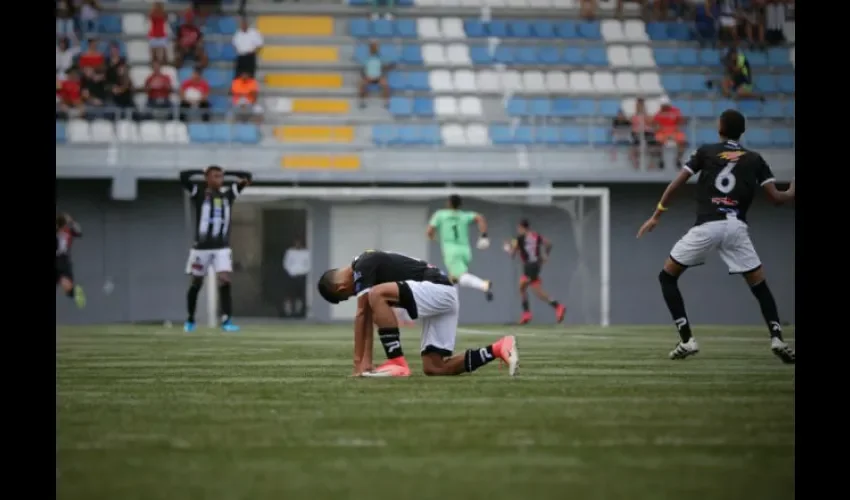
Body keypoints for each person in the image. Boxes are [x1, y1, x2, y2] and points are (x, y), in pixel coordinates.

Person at [636, 109, 795, 364]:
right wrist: (792, 190)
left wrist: (657, 214)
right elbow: (777, 199)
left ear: (720, 128)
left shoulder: (706, 151)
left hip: (708, 225)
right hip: (736, 228)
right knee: (759, 285)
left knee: (667, 277)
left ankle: (687, 339)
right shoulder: (755, 159)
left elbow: (676, 183)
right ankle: (777, 337)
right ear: (742, 132)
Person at [317, 250, 519, 378]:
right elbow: (366, 316)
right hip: (443, 294)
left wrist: (359, 366)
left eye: (347, 296)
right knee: (435, 367)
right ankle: (499, 348)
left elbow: (362, 315)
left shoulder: (363, 265)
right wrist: (363, 365)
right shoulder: (364, 269)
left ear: (341, 287)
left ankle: (397, 362)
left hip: (438, 288)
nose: (353, 296)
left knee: (375, 295)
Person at [179, 166, 253, 333]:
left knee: (225, 279)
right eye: (215, 176)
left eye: (221, 177)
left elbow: (248, 176)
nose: (219, 180)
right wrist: (200, 170)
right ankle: (190, 319)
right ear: (207, 178)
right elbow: (183, 177)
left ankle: (226, 320)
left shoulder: (228, 195)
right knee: (196, 283)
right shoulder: (198, 193)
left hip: (222, 248)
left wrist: (229, 172)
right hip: (201, 248)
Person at [427, 194, 494, 301]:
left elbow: (429, 232)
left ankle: (483, 285)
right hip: (465, 251)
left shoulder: (440, 215)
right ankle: (452, 305)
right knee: (454, 279)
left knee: (461, 277)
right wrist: (484, 236)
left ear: (448, 203)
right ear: (460, 205)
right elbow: (480, 218)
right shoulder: (464, 216)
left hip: (451, 250)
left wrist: (436, 239)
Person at [505, 219, 567, 325]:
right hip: (536, 265)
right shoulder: (536, 236)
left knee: (527, 289)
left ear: (522, 227)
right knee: (532, 290)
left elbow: (512, 254)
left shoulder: (519, 239)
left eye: (519, 228)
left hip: (529, 266)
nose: (518, 230)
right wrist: (545, 256)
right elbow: (548, 244)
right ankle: (555, 307)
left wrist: (507, 248)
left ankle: (528, 313)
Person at [56, 213, 86, 309]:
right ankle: (73, 291)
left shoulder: (64, 231)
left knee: (64, 280)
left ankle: (73, 291)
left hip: (60, 261)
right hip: (64, 260)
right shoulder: (68, 231)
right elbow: (79, 232)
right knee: (66, 284)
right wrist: (72, 221)